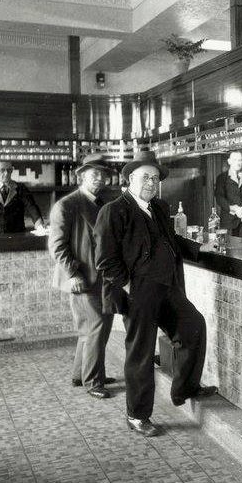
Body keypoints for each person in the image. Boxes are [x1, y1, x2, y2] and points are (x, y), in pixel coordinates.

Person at [95, 150, 218, 437]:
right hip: (137, 293)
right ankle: (137, 414)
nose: (151, 183)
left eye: (155, 178)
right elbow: (105, 259)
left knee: (192, 326)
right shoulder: (113, 211)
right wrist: (129, 287)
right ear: (129, 180)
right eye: (145, 177)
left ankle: (184, 389)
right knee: (140, 352)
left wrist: (199, 249)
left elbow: (171, 239)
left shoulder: (160, 208)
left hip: (166, 287)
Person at [48, 154, 116, 399]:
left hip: (99, 276)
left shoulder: (100, 203)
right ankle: (93, 381)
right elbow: (57, 246)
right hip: (80, 277)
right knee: (97, 325)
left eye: (103, 174)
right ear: (81, 176)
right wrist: (72, 274)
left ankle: (82, 373)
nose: (99, 179)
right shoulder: (67, 205)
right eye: (94, 174)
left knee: (93, 327)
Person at [214, 151, 242, 237]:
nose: (238, 162)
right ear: (229, 161)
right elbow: (219, 197)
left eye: (240, 160)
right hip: (228, 222)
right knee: (229, 248)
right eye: (235, 160)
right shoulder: (222, 178)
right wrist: (234, 209)